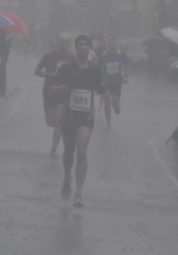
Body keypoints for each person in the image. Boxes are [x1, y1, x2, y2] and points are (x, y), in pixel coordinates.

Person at [49, 34, 104, 208]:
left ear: (90, 48)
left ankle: (79, 193)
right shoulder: (67, 67)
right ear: (76, 48)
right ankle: (67, 176)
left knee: (81, 152)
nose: (83, 47)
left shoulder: (95, 69)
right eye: (80, 44)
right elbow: (52, 89)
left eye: (86, 44)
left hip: (86, 116)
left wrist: (105, 90)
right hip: (69, 115)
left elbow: (99, 88)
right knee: (69, 152)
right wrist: (66, 87)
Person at [34, 34, 72, 157]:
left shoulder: (72, 58)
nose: (64, 44)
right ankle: (54, 140)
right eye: (62, 41)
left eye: (66, 42)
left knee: (59, 121)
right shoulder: (49, 56)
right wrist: (50, 75)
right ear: (57, 43)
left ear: (68, 44)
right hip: (49, 92)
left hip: (63, 93)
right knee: (50, 122)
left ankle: (53, 149)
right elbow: (37, 71)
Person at [101, 38, 129, 131]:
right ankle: (108, 123)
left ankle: (117, 107)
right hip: (106, 83)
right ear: (107, 45)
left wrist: (126, 76)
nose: (112, 46)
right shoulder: (103, 55)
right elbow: (98, 68)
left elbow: (127, 63)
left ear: (116, 45)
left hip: (117, 83)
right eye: (110, 45)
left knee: (115, 105)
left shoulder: (121, 54)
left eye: (114, 45)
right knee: (107, 102)